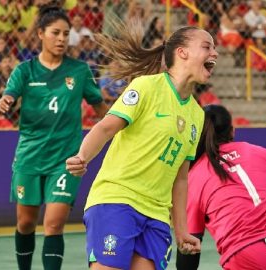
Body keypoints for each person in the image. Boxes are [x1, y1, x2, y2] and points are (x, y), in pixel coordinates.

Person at [66, 20, 218, 270]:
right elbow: (106, 127)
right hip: (117, 198)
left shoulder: (197, 115)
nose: (215, 53)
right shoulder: (146, 87)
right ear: (182, 52)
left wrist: (181, 230)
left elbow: (180, 178)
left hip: (156, 214)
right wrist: (83, 156)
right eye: (207, 46)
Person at [0, 5, 108, 270]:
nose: (61, 38)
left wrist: (124, 120)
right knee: (25, 223)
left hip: (65, 159)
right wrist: (6, 99)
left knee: (54, 224)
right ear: (40, 34)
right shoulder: (25, 71)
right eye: (55, 33)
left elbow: (101, 107)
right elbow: (9, 93)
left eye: (65, 33)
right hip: (30, 157)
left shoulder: (79, 71)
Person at [176, 104, 266, 270]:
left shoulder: (193, 177)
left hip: (247, 254)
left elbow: (190, 246)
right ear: (232, 131)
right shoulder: (259, 151)